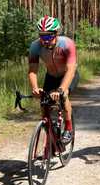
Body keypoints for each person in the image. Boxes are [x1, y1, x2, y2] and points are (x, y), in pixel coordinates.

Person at [28, 15, 79, 144]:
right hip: (51, 76)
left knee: (63, 96)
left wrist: (61, 89)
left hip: (68, 74)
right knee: (44, 103)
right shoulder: (35, 46)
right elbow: (32, 70)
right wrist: (35, 88)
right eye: (42, 36)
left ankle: (68, 128)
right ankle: (49, 134)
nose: (44, 40)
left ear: (56, 34)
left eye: (48, 36)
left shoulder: (67, 44)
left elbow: (71, 68)